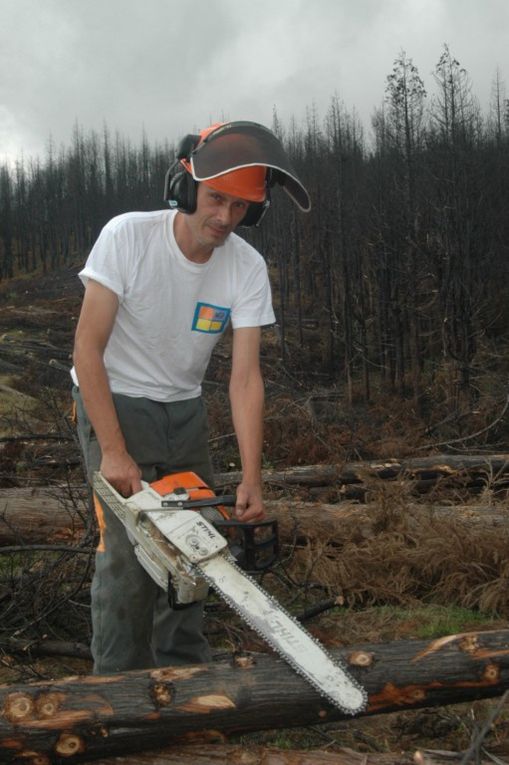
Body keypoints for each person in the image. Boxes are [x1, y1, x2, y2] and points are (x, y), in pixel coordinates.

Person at [71, 120, 311, 674]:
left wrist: (252, 476)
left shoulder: (246, 268)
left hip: (184, 409)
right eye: (215, 199)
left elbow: (245, 378)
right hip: (115, 398)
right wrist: (113, 451)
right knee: (129, 557)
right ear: (185, 187)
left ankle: (184, 674)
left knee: (198, 544)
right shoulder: (127, 236)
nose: (224, 218)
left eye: (239, 207)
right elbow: (87, 349)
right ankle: (120, 688)